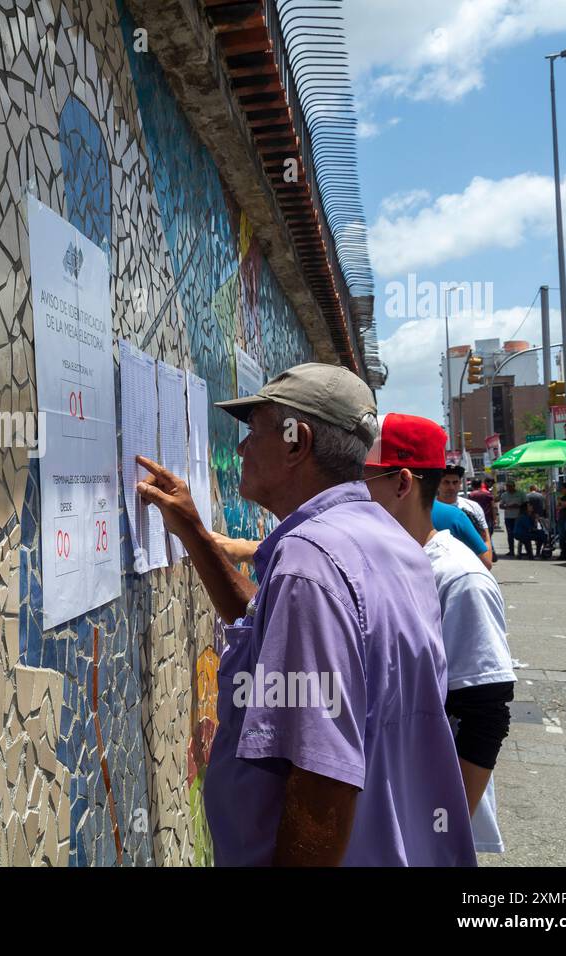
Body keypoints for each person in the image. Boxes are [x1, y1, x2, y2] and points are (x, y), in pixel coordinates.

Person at [135, 362, 474, 866]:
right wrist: (195, 534)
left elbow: (323, 779)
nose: (242, 449)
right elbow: (266, 624)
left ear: (297, 443)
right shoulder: (388, 544)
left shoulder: (310, 564)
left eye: (255, 432)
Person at [361, 413, 516, 854]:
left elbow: (485, 714)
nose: (351, 492)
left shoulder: (458, 576)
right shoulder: (380, 560)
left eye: (363, 478)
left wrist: (440, 829)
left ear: (402, 484)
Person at [438, 466, 493, 564]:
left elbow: (485, 537)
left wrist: (486, 559)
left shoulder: (473, 507)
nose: (451, 487)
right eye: (446, 482)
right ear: (438, 484)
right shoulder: (428, 508)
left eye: (455, 482)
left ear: (460, 484)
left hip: (470, 563)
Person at [498, 482, 526, 557]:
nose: (509, 488)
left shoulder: (521, 493)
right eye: (508, 487)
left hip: (519, 517)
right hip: (508, 517)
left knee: (520, 534)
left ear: (514, 486)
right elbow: (501, 505)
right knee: (510, 534)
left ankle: (522, 551)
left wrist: (519, 506)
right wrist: (507, 506)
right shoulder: (504, 495)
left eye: (510, 486)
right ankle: (511, 551)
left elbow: (526, 504)